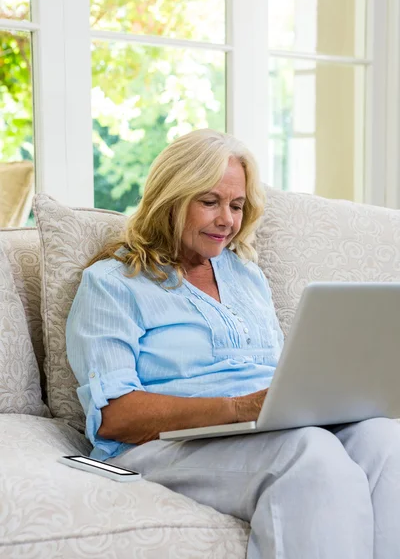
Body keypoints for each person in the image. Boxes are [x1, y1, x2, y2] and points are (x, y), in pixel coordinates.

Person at [66, 128, 400, 559]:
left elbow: (282, 373)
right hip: (161, 446)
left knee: (385, 439)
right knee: (310, 454)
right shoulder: (113, 283)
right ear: (171, 198)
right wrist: (240, 408)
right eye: (210, 201)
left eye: (236, 205)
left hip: (263, 430)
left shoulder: (245, 275)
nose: (227, 219)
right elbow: (114, 417)